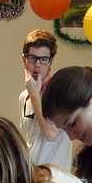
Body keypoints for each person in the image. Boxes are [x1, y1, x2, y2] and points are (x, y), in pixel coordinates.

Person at [18, 29, 74, 171]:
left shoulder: (62, 91)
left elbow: (51, 133)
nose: (37, 65)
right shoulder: (24, 97)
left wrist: (36, 96)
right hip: (32, 174)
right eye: (32, 58)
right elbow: (31, 139)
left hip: (57, 178)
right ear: (24, 60)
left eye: (43, 60)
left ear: (51, 62)